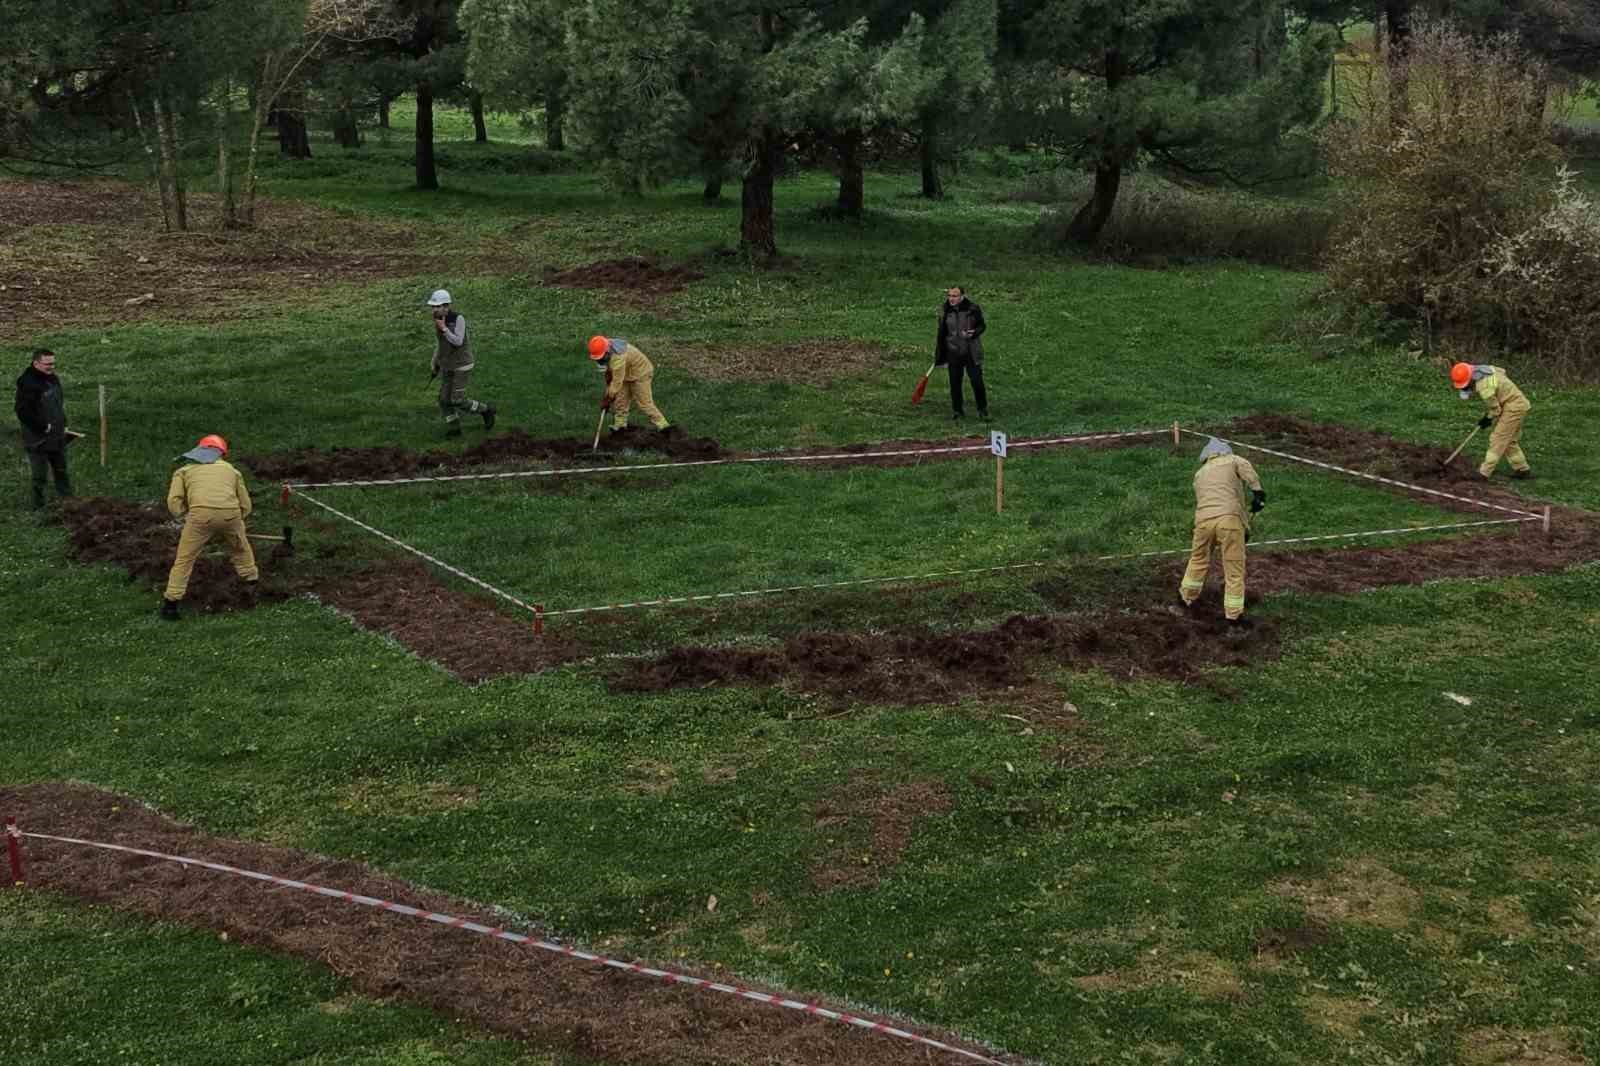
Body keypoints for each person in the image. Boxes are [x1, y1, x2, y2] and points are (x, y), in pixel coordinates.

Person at [160, 434, 257, 620]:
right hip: (231, 514)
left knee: (184, 559)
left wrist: (185, 515)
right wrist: (234, 523)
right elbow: (246, 504)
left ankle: (170, 607)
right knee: (241, 550)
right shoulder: (233, 471)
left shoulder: (184, 471)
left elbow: (173, 501)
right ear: (221, 453)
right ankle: (251, 588)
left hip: (200, 517)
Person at [1179, 437, 1265, 627]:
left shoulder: (1199, 474)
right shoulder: (1233, 460)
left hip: (1202, 522)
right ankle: (1233, 616)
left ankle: (1185, 598)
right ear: (1225, 450)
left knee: (1198, 559)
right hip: (1228, 520)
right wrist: (1259, 494)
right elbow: (1249, 475)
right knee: (1233, 566)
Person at [427, 289, 496, 438]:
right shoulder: (438, 320)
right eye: (433, 307)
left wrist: (444, 328)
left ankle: (486, 410)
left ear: (446, 306)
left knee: (457, 400)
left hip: (461, 365)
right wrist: (434, 361)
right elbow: (440, 343)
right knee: (444, 400)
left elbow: (458, 341)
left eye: (437, 306)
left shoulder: (458, 319)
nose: (434, 310)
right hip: (447, 365)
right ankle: (454, 429)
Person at [1450, 362, 1532, 480]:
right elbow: (1502, 371)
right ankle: (1522, 470)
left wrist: (1486, 419)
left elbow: (1496, 410)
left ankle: (1483, 473)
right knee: (1509, 441)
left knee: (1497, 439)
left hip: (1513, 408)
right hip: (1518, 403)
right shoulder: (1486, 370)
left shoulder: (1485, 388)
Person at [14, 348, 73, 509]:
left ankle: (68, 503)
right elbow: (22, 411)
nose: (51, 367)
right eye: (47, 364)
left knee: (61, 469)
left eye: (53, 363)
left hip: (57, 433)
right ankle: (38, 506)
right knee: (40, 475)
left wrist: (63, 424)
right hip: (37, 437)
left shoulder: (52, 379)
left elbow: (58, 405)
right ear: (36, 363)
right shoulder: (28, 383)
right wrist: (43, 427)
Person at [588, 335, 670, 432]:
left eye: (600, 358)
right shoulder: (607, 348)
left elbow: (617, 382)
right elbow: (610, 376)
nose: (599, 361)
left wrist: (608, 399)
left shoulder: (618, 357)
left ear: (607, 351)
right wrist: (608, 390)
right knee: (620, 401)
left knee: (644, 403)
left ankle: (665, 428)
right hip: (626, 374)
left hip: (641, 374)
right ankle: (620, 427)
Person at [934, 286, 987, 420]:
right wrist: (941, 356)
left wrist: (974, 333)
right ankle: (957, 411)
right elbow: (942, 334)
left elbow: (982, 325)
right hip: (953, 352)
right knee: (955, 384)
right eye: (950, 295)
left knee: (977, 382)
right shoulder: (945, 311)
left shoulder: (973, 308)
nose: (951, 298)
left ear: (962, 296)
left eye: (955, 296)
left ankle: (982, 410)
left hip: (971, 351)